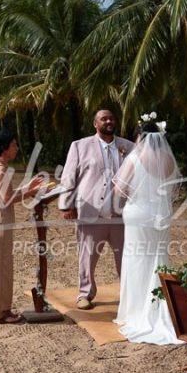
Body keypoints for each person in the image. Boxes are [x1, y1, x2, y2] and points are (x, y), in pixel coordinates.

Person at [112, 116, 184, 345]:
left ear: (140, 137)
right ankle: (162, 308)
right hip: (161, 217)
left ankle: (135, 313)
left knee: (137, 261)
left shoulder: (134, 158)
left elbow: (119, 190)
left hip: (138, 216)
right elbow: (172, 189)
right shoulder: (169, 160)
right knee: (158, 258)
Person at [58, 110, 136, 310]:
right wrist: (66, 204)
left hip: (121, 215)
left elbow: (136, 178)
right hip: (91, 212)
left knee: (126, 257)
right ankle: (85, 294)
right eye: (104, 119)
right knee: (87, 256)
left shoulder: (128, 147)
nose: (108, 121)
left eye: (111, 118)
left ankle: (129, 294)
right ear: (95, 124)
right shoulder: (79, 146)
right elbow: (68, 177)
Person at [0, 128, 44, 324]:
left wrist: (28, 187)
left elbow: (6, 192)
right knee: (1, 269)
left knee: (0, 268)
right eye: (14, 145)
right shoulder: (1, 169)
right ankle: (1, 313)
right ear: (5, 148)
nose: (17, 148)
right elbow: (8, 198)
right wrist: (31, 192)